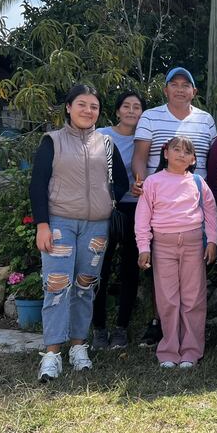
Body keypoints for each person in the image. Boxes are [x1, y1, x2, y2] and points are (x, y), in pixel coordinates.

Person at [30, 84, 129, 382]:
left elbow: (121, 181)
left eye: (94, 106)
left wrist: (107, 200)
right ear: (69, 108)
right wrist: (42, 224)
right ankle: (51, 354)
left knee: (86, 286)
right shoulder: (53, 141)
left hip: (96, 226)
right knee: (57, 285)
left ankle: (78, 347)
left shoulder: (106, 144)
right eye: (82, 104)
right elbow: (37, 184)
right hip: (59, 223)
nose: (88, 111)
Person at [132, 67, 217, 346]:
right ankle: (164, 329)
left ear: (194, 91)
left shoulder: (205, 120)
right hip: (162, 210)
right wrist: (140, 181)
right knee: (164, 280)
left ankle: (191, 337)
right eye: (174, 84)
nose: (180, 89)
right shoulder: (150, 116)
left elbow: (214, 159)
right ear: (166, 89)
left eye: (186, 85)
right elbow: (141, 156)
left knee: (193, 282)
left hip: (196, 212)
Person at [134, 136, 217, 368]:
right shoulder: (153, 182)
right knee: (167, 299)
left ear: (193, 159)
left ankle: (191, 350)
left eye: (187, 151)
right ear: (166, 153)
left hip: (193, 246)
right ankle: (169, 350)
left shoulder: (198, 183)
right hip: (163, 247)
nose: (181, 154)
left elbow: (210, 213)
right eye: (176, 149)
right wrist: (144, 247)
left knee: (193, 299)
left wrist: (211, 240)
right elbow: (142, 217)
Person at [91, 91, 146, 350]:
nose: (132, 111)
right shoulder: (101, 135)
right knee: (100, 268)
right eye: (126, 106)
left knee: (129, 270)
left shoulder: (145, 138)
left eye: (137, 107)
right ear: (117, 111)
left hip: (137, 209)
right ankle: (99, 329)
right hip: (105, 209)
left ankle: (122, 328)